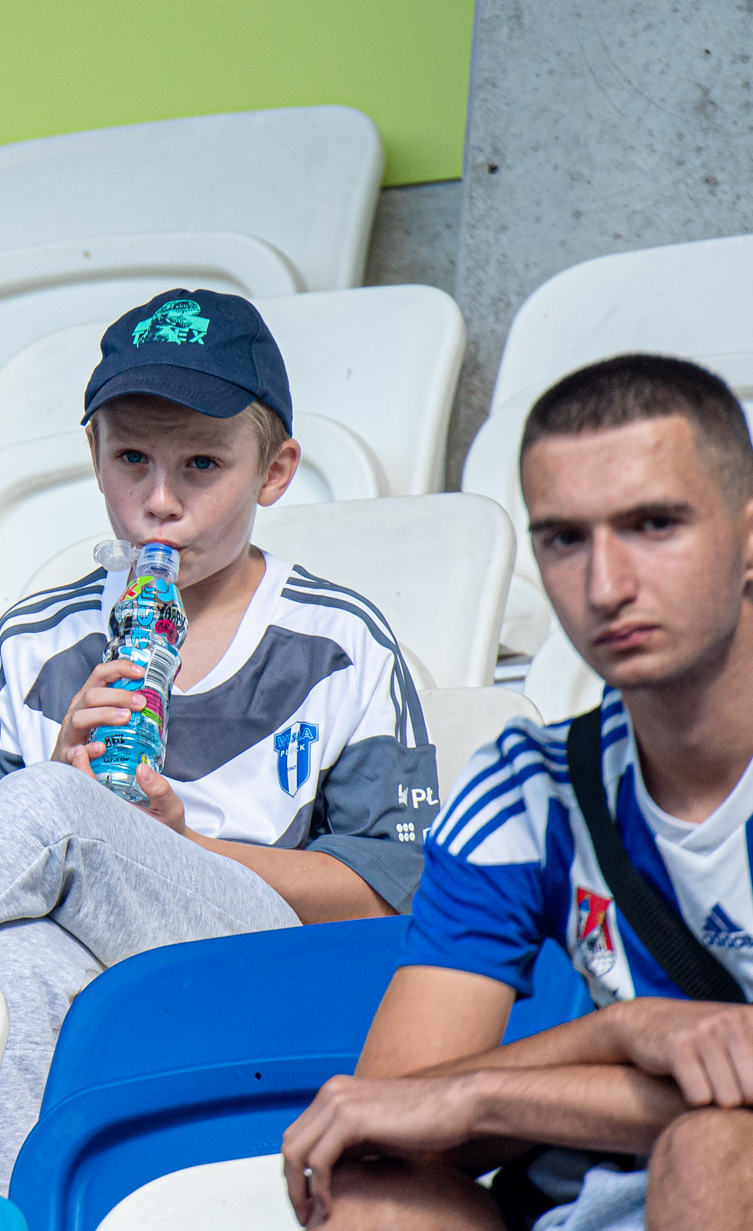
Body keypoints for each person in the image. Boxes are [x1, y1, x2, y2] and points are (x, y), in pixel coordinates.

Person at [0, 289, 440, 1193]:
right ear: (94, 455)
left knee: (47, 805)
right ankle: (12, 1213)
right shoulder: (39, 637)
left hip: (262, 963)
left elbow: (391, 890)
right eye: (132, 459)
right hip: (82, 952)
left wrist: (171, 844)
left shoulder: (340, 638)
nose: (159, 502)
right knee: (14, 963)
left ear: (273, 473)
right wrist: (66, 782)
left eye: (202, 465)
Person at [280, 355, 753, 1231]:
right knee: (369, 1194)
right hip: (603, 1192)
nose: (607, 586)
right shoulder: (529, 789)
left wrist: (484, 1094)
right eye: (565, 539)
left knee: (716, 1146)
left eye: (654, 525)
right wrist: (620, 1033)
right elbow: (387, 1117)